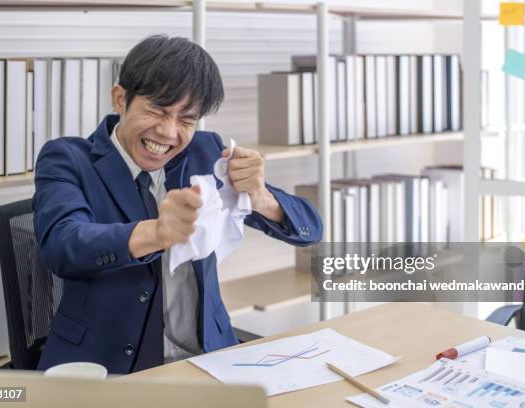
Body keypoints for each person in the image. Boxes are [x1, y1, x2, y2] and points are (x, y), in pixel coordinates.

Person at [33, 35, 322, 374]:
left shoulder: (205, 152)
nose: (168, 133)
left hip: (208, 358)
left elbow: (310, 231)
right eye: (156, 109)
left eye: (186, 119)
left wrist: (260, 196)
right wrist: (155, 233)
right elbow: (62, 245)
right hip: (106, 368)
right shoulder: (67, 158)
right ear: (120, 99)